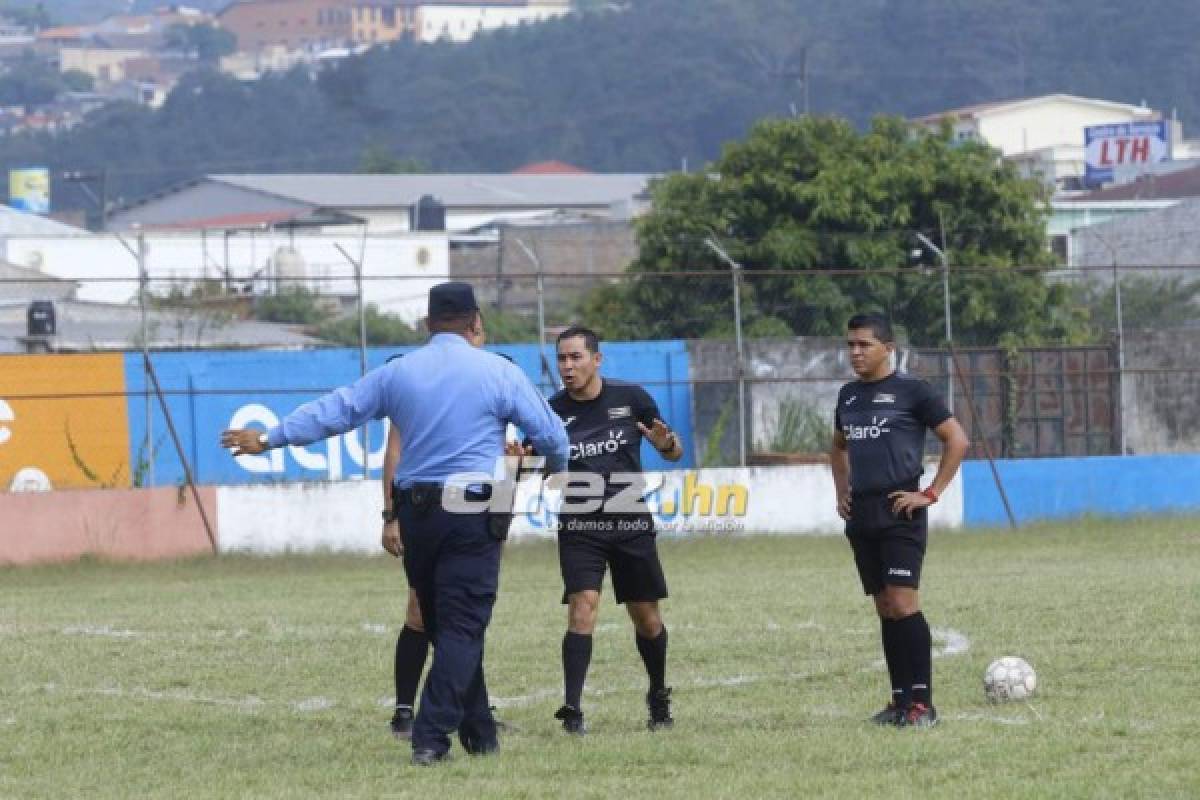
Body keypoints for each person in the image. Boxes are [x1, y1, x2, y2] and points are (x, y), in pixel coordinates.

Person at [222, 281, 569, 765]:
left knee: (448, 625)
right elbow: (551, 433)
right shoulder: (500, 373)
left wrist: (271, 437)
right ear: (475, 324)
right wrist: (555, 464)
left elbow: (337, 411)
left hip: (417, 513)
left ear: (428, 325)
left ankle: (481, 734)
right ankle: (430, 737)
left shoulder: (398, 373)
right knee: (464, 626)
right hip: (473, 513)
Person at [521, 326, 683, 736]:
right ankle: (572, 709)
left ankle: (658, 693)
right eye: (562, 358)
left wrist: (666, 445)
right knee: (582, 608)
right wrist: (518, 461)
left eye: (576, 357)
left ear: (597, 359)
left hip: (630, 520)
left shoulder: (632, 399)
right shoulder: (549, 410)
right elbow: (526, 464)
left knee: (646, 619)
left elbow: (672, 449)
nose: (567, 366)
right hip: (580, 523)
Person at [829, 312, 969, 729]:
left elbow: (957, 441)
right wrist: (842, 491)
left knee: (905, 603)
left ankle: (923, 704)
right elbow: (837, 447)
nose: (855, 352)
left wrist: (929, 493)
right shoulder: (848, 396)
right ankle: (899, 701)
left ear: (888, 349)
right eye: (851, 344)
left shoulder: (913, 391)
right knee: (886, 608)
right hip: (862, 515)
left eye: (864, 345)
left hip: (900, 510)